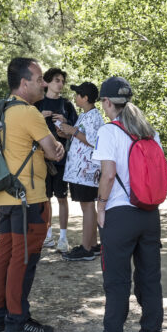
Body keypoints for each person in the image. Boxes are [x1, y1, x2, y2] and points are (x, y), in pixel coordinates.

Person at [83, 77, 163, 332]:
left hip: (120, 214)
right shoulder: (149, 132)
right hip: (149, 214)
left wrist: (100, 205)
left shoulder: (109, 131)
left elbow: (107, 174)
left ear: (106, 103)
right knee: (150, 279)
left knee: (117, 283)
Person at [0, 58, 64, 332]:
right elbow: (54, 151)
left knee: (5, 256)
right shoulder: (29, 113)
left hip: (5, 196)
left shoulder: (1, 109)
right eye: (39, 78)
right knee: (24, 260)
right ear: (24, 83)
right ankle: (17, 320)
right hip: (29, 199)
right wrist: (56, 146)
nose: (43, 83)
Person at [58, 81, 104, 261]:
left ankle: (86, 248)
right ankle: (91, 245)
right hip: (79, 171)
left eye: (78, 94)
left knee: (87, 207)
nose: (75, 97)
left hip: (86, 170)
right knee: (87, 206)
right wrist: (67, 133)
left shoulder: (94, 116)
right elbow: (81, 136)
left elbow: (93, 141)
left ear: (85, 98)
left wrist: (73, 131)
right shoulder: (86, 115)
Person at [36, 67, 77, 253]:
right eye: (57, 80)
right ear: (47, 82)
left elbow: (78, 134)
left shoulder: (67, 105)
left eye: (62, 81)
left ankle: (63, 237)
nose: (60, 84)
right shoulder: (36, 104)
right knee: (45, 199)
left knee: (61, 197)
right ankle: (47, 236)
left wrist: (65, 123)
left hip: (61, 159)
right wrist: (39, 117)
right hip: (40, 159)